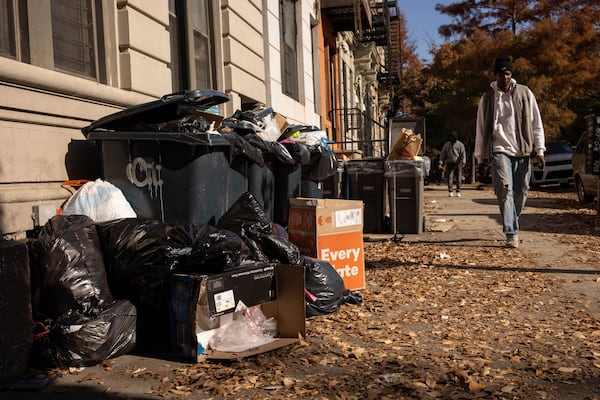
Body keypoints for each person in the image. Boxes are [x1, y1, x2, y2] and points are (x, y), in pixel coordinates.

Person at [474, 56, 545, 248]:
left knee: (522, 191)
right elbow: (480, 129)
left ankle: (512, 217)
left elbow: (536, 123)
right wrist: (480, 158)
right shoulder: (488, 97)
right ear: (495, 75)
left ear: (511, 74)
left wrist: (540, 150)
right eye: (501, 73)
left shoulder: (525, 93)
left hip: (522, 151)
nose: (504, 77)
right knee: (505, 191)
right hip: (499, 151)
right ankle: (511, 233)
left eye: (507, 73)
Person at [440, 131, 466, 197]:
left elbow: (463, 154)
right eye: (450, 137)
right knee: (450, 178)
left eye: (453, 137)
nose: (451, 139)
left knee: (458, 178)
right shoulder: (446, 145)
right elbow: (443, 154)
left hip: (458, 163)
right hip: (449, 163)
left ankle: (458, 191)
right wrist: (441, 161)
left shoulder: (460, 145)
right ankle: (450, 191)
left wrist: (463, 161)